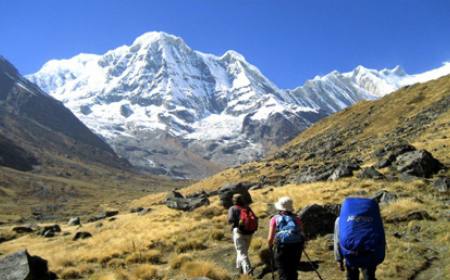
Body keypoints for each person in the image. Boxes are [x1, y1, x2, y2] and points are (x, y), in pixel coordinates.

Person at [334, 197, 386, 280]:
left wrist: (339, 259)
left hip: (351, 255)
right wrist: (379, 256)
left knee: (352, 276)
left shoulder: (340, 220)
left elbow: (338, 241)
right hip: (370, 253)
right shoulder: (373, 219)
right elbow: (381, 236)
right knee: (369, 276)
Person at [267, 196, 305, 280]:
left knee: (283, 273)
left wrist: (270, 246)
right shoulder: (297, 219)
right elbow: (302, 234)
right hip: (296, 247)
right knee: (293, 272)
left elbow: (270, 238)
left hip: (281, 248)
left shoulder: (274, 219)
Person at [228, 193, 257, 274]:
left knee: (242, 252)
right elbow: (255, 218)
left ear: (233, 200)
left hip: (238, 232)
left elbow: (230, 220)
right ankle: (239, 267)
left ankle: (248, 272)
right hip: (249, 232)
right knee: (242, 251)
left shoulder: (232, 208)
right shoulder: (247, 208)